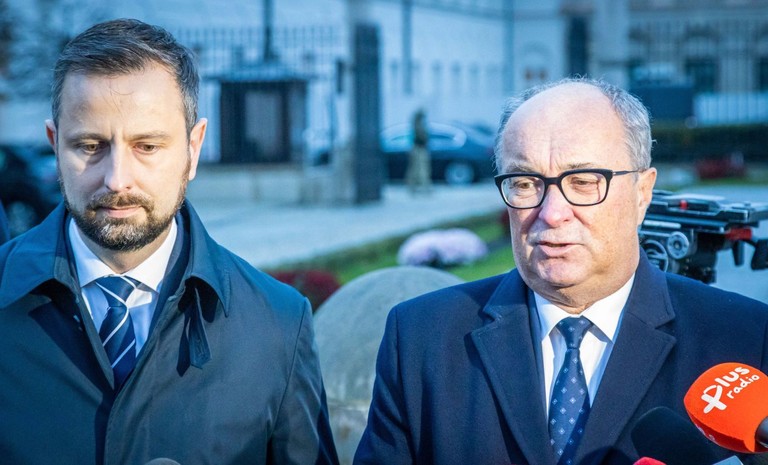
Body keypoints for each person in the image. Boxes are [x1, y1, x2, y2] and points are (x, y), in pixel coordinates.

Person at [354, 77, 768, 464]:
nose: (551, 213)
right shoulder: (421, 338)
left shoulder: (745, 339)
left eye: (584, 181)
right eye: (524, 182)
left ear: (642, 193)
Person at [0, 19, 338, 465]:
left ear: (193, 149)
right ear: (55, 143)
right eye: (90, 146)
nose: (117, 179)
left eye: (147, 146)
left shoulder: (278, 326)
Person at [406, 108, 431, 194]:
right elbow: (422, 137)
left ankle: (416, 187)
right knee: (420, 169)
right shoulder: (418, 126)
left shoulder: (416, 125)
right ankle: (423, 187)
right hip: (419, 149)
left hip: (418, 148)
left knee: (416, 169)